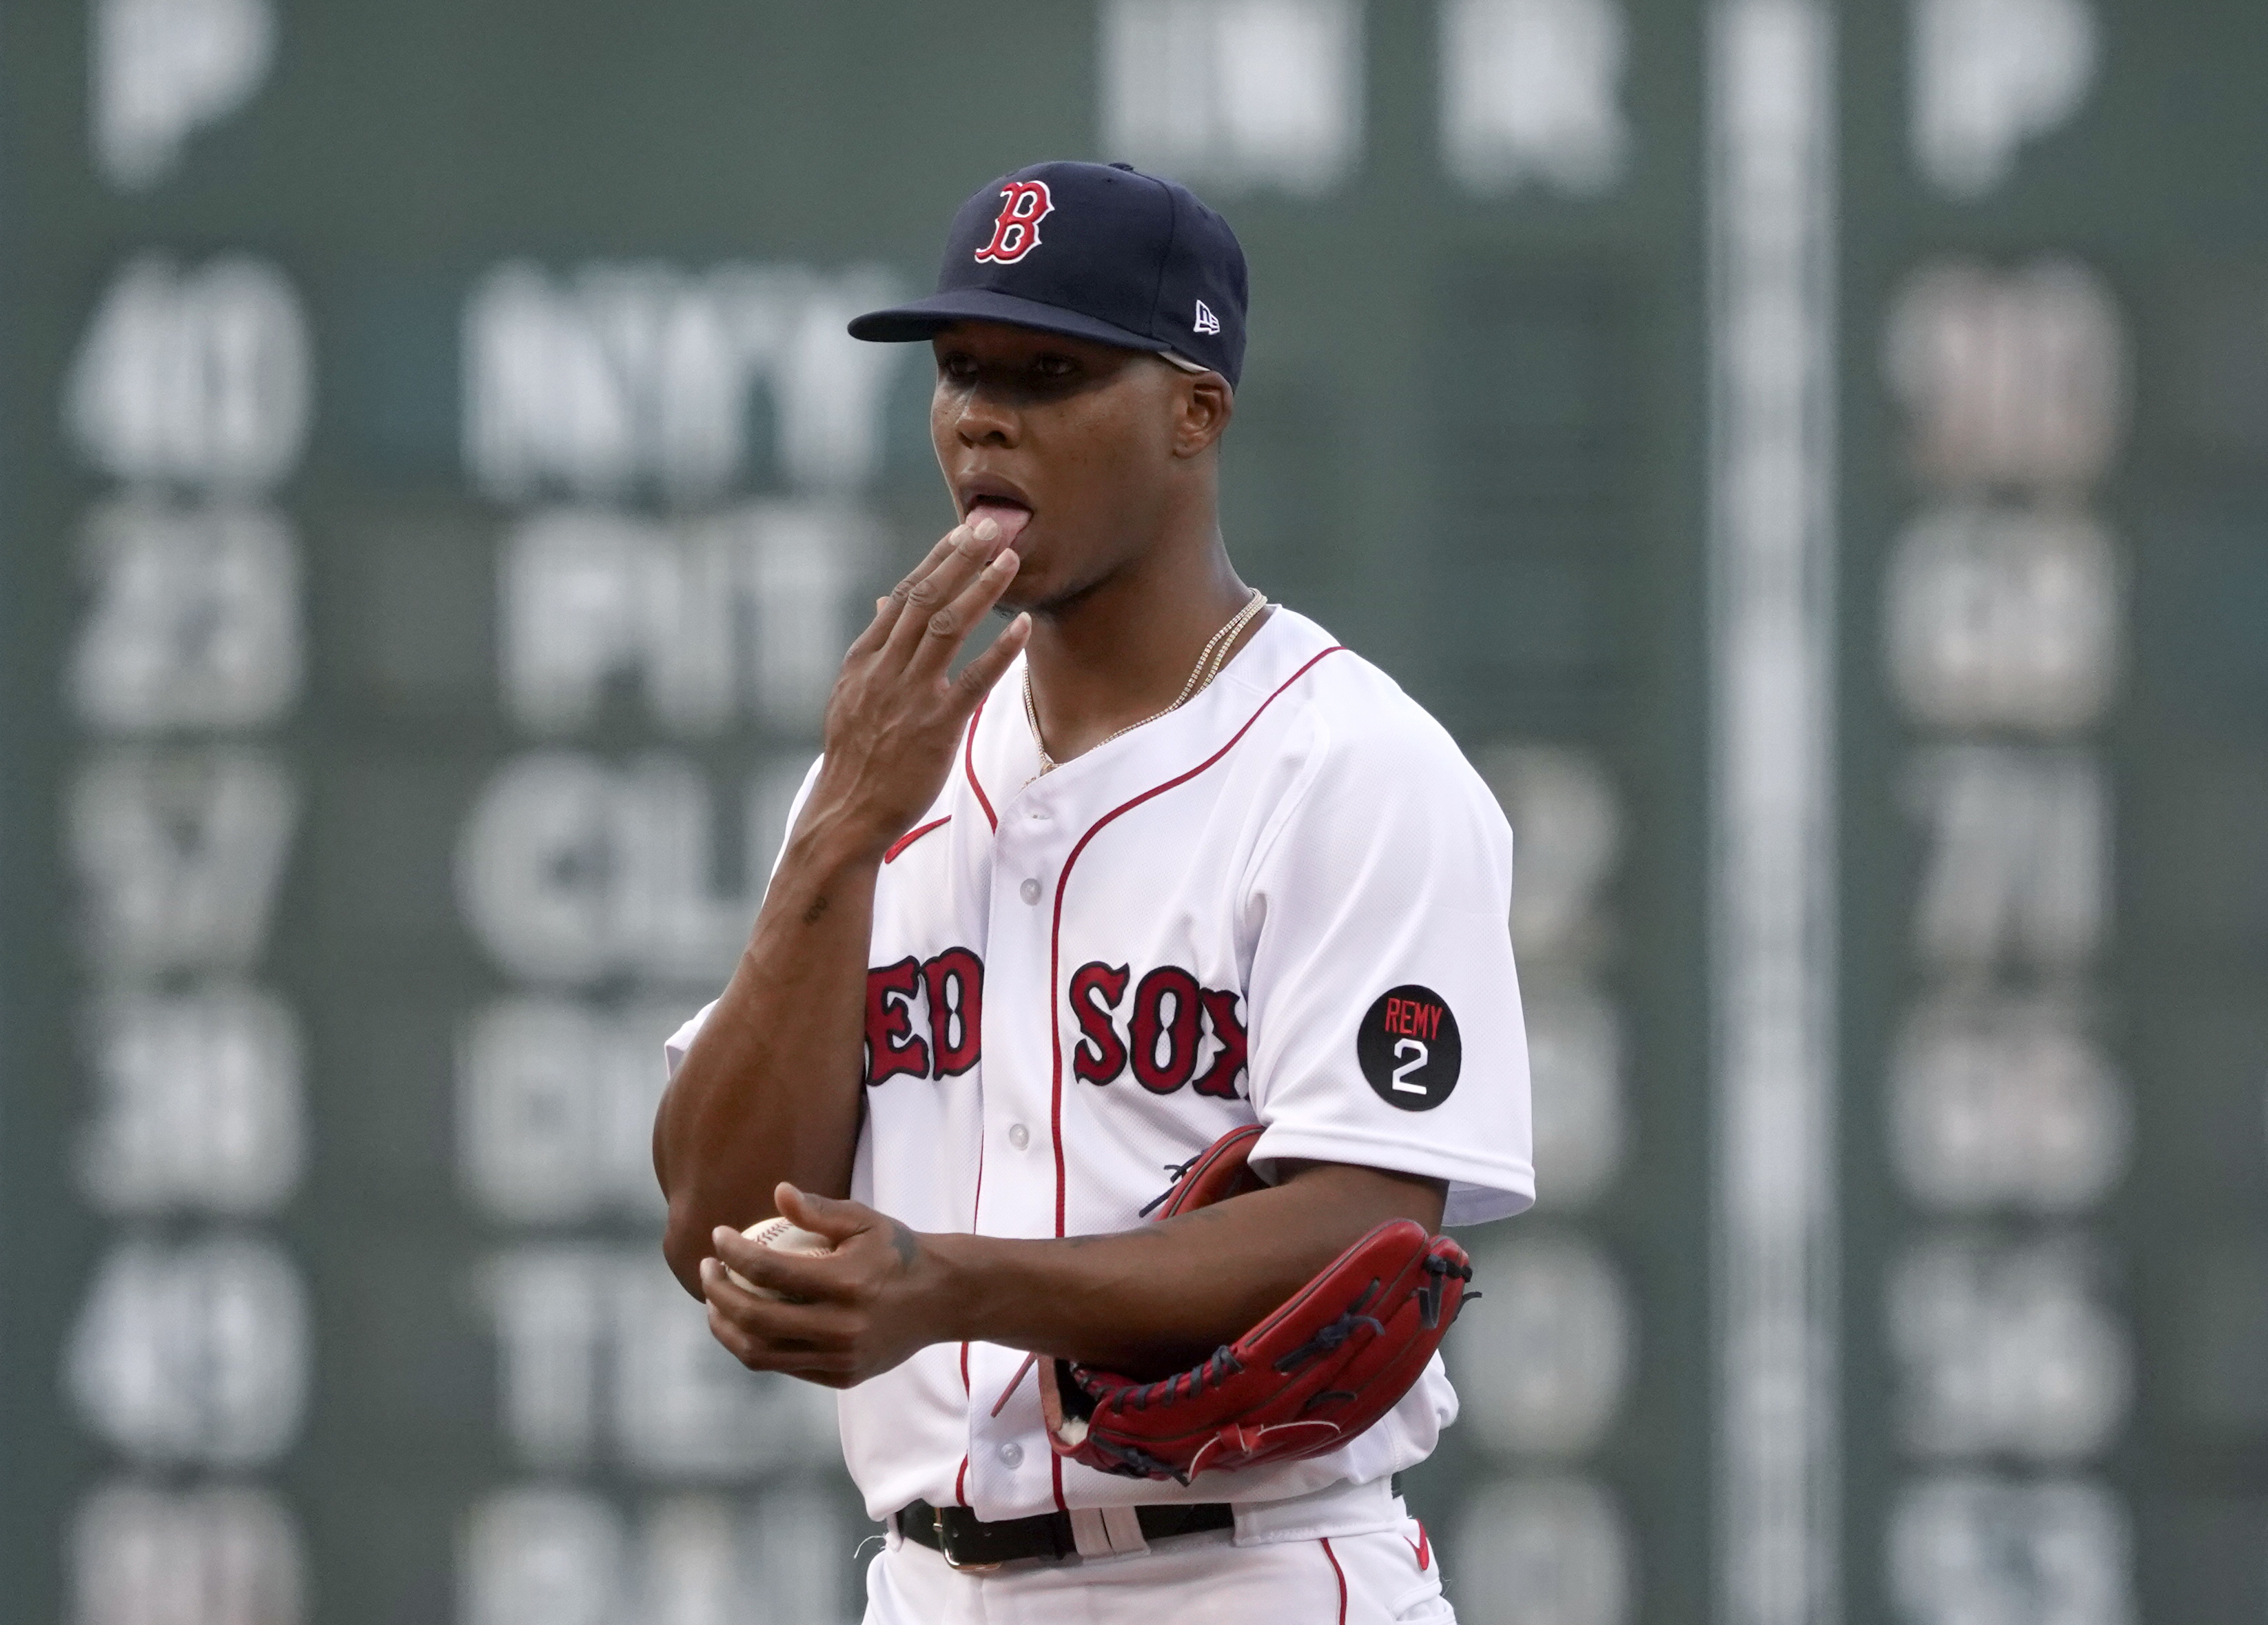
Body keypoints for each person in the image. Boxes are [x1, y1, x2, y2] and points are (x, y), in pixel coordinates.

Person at [653, 159, 1533, 1624]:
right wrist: (836, 840)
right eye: (959, 372)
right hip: (927, 1582)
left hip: (1247, 1569)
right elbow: (714, 1225)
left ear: (1196, 407)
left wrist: (955, 1283)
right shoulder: (884, 769)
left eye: (1050, 371)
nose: (984, 416)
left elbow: (1367, 1223)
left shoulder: (1347, 765)